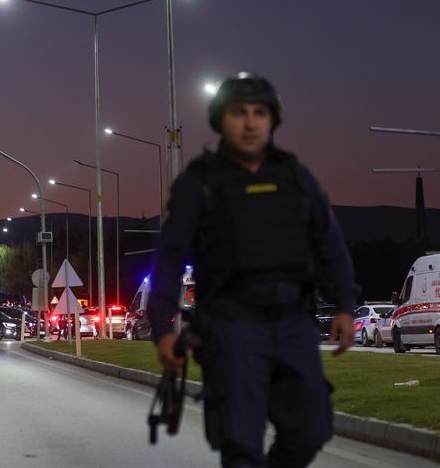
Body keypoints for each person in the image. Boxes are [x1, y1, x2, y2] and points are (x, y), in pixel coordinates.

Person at [147, 72, 359, 467]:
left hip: (295, 324)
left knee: (310, 428)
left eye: (259, 112)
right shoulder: (199, 183)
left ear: (272, 119)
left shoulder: (296, 177)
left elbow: (329, 244)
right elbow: (171, 258)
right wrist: (161, 327)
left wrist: (346, 304)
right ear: (220, 120)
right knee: (241, 445)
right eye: (238, 112)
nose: (249, 122)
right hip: (232, 328)